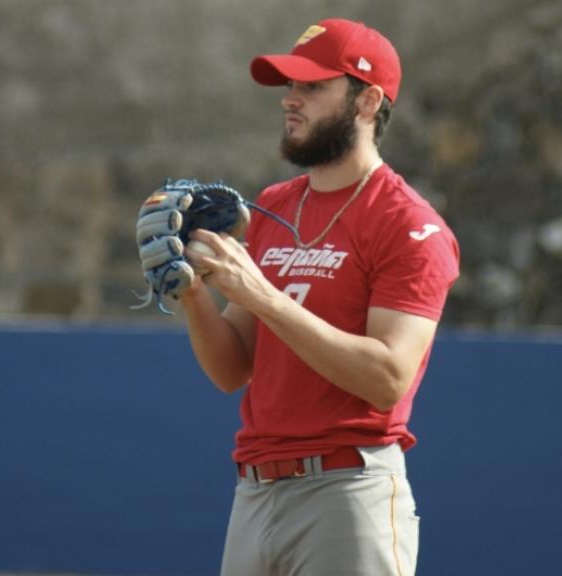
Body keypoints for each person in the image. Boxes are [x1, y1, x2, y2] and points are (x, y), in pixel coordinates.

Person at [165, 18, 459, 575]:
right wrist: (191, 290)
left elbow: (387, 377)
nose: (291, 101)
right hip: (254, 490)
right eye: (289, 86)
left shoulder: (409, 224)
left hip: (348, 493)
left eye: (313, 86)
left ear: (368, 101)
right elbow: (232, 368)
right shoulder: (276, 205)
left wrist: (262, 295)